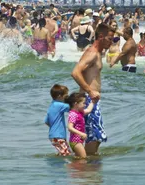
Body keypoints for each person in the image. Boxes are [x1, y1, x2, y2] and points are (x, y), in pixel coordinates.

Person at [70, 23, 114, 156]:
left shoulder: (97, 53)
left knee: (93, 135)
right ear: (101, 36)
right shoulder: (92, 53)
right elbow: (75, 72)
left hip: (90, 100)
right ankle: (88, 164)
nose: (111, 42)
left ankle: (88, 164)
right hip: (88, 99)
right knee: (96, 134)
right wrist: (90, 91)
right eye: (110, 39)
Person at [44, 84, 71, 156]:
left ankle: (58, 164)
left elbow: (46, 121)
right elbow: (73, 107)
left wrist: (54, 127)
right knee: (66, 154)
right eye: (66, 96)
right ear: (59, 96)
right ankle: (62, 166)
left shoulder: (52, 105)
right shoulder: (59, 105)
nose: (66, 98)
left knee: (64, 152)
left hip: (54, 135)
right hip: (58, 135)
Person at [66, 92, 95, 158]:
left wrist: (93, 102)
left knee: (79, 158)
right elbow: (70, 128)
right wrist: (81, 134)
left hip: (78, 141)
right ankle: (72, 166)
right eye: (83, 103)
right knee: (83, 158)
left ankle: (74, 166)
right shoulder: (73, 114)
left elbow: (88, 110)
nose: (85, 105)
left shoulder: (80, 113)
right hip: (75, 141)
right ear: (76, 104)